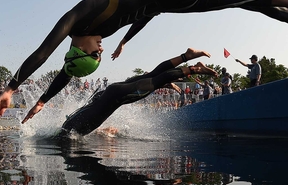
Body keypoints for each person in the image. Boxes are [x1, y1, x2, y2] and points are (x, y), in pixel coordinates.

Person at [0, 0, 288, 124]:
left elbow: (45, 51)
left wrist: (11, 87)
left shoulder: (86, 12)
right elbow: (67, 71)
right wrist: (44, 100)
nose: (101, 51)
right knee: (245, 0)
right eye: (100, 54)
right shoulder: (97, 38)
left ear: (80, 48)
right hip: (175, 3)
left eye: (95, 54)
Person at [53, 48, 217, 136]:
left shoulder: (71, 132)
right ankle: (186, 56)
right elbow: (93, 116)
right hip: (110, 92)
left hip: (115, 97)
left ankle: (194, 69)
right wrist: (103, 131)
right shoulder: (70, 125)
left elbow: (91, 120)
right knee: (152, 76)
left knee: (154, 81)